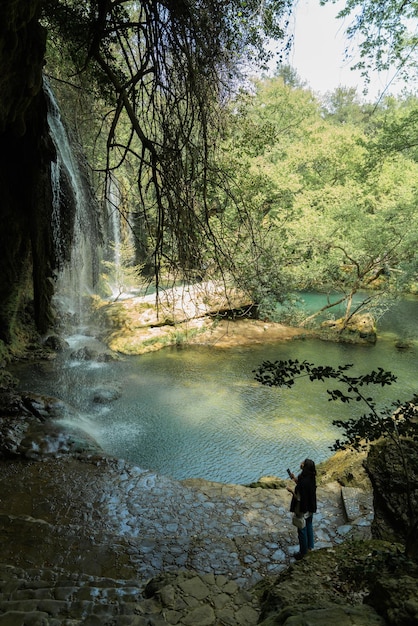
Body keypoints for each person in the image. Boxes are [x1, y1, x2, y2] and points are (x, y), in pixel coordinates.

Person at [287, 458, 317, 560]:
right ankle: (310, 547)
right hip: (310, 507)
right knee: (309, 525)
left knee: (302, 530)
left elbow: (298, 498)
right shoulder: (311, 477)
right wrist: (294, 478)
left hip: (302, 508)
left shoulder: (304, 481)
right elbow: (301, 485)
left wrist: (291, 491)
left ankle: (303, 553)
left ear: (305, 467)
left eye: (303, 463)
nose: (301, 463)